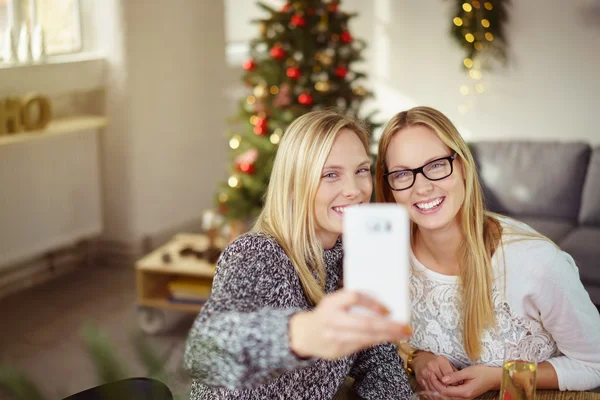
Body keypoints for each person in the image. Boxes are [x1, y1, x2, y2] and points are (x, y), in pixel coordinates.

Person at [184, 109, 414, 399]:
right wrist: (299, 335)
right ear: (294, 184)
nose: (354, 189)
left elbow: (376, 359)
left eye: (360, 170)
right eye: (330, 175)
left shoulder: (353, 254)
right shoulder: (257, 253)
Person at [375, 106, 600, 398]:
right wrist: (418, 361)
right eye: (403, 174)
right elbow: (384, 344)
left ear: (463, 167)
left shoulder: (538, 262)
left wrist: (499, 379)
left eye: (436, 165)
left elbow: (594, 364)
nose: (422, 187)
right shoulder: (389, 254)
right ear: (389, 185)